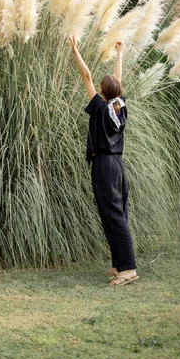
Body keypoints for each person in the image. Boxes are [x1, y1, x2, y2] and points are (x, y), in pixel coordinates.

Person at [68, 36, 138, 287]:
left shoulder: (100, 107)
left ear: (101, 92)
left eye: (99, 87)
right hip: (118, 165)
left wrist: (76, 51)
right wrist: (119, 55)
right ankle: (120, 264)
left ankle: (128, 269)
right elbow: (117, 84)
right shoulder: (119, 105)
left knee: (114, 216)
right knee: (117, 214)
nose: (95, 88)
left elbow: (86, 77)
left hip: (104, 166)